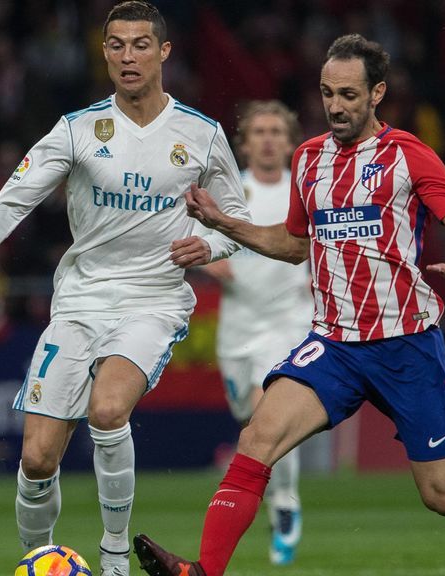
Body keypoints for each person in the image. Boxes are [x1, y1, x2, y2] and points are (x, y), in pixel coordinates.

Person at [132, 34, 445, 576]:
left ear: (377, 92)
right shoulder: (310, 158)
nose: (334, 106)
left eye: (347, 95)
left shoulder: (409, 156)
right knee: (257, 437)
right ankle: (204, 571)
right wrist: (224, 223)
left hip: (405, 344)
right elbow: (295, 244)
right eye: (326, 93)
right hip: (335, 344)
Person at [0, 3, 250, 575]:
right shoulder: (79, 128)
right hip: (80, 300)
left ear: (164, 52)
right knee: (36, 458)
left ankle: (112, 558)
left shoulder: (201, 135)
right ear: (104, 52)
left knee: (108, 410)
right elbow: (15, 198)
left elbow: (236, 220)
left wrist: (211, 246)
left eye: (140, 44)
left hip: (153, 299)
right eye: (116, 45)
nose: (128, 56)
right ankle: (38, 562)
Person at [198, 100, 311, 566]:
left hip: (289, 323)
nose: (267, 139)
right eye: (258, 132)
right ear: (244, 144)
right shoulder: (230, 193)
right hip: (238, 329)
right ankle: (272, 492)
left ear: (289, 142)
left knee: (270, 414)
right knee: (250, 421)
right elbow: (192, 235)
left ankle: (285, 503)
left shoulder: (302, 191)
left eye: (275, 131)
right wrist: (208, 257)